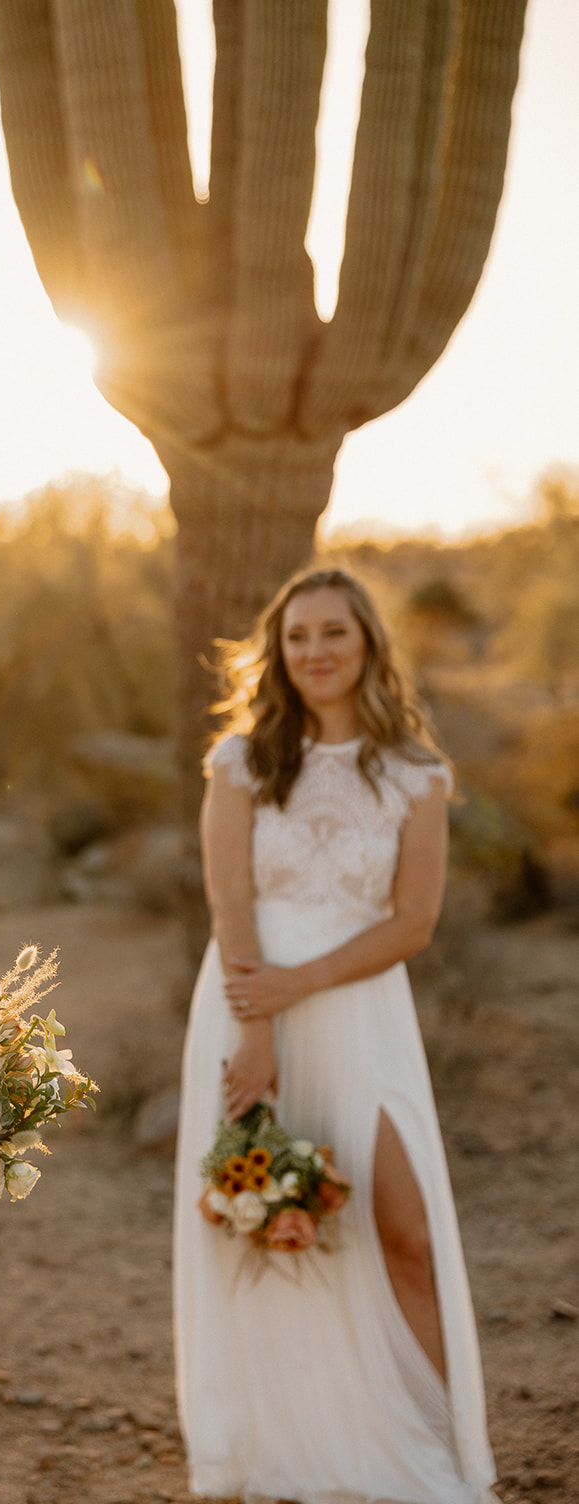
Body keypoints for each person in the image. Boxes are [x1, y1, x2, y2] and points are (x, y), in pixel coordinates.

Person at [173, 566, 496, 1504]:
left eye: (333, 634)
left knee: (402, 1230)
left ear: (366, 647)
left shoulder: (414, 776)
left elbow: (413, 923)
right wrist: (258, 1021)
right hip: (242, 1007)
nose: (314, 651)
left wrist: (299, 986)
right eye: (298, 636)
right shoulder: (239, 761)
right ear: (278, 652)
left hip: (358, 1008)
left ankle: (432, 1450)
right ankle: (283, 1448)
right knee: (263, 1218)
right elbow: (229, 895)